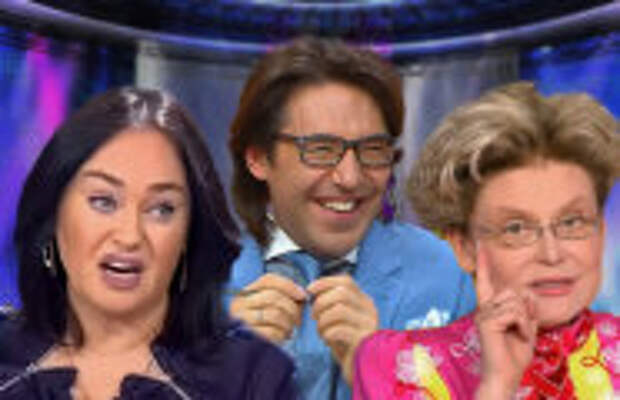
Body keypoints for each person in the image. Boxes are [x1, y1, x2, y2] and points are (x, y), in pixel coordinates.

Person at [0, 87, 297, 399]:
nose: (130, 236)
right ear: (54, 213)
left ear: (189, 233)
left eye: (161, 209)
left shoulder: (253, 379)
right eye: (103, 201)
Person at [226, 36, 476, 399]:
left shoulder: (448, 274)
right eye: (321, 149)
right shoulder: (194, 286)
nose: (350, 177)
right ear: (258, 158)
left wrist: (381, 372)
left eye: (373, 150)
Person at [353, 82, 620, 399]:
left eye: (572, 222)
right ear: (464, 246)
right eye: (516, 229)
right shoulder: (401, 364)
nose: (552, 254)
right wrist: (498, 385)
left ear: (601, 232)